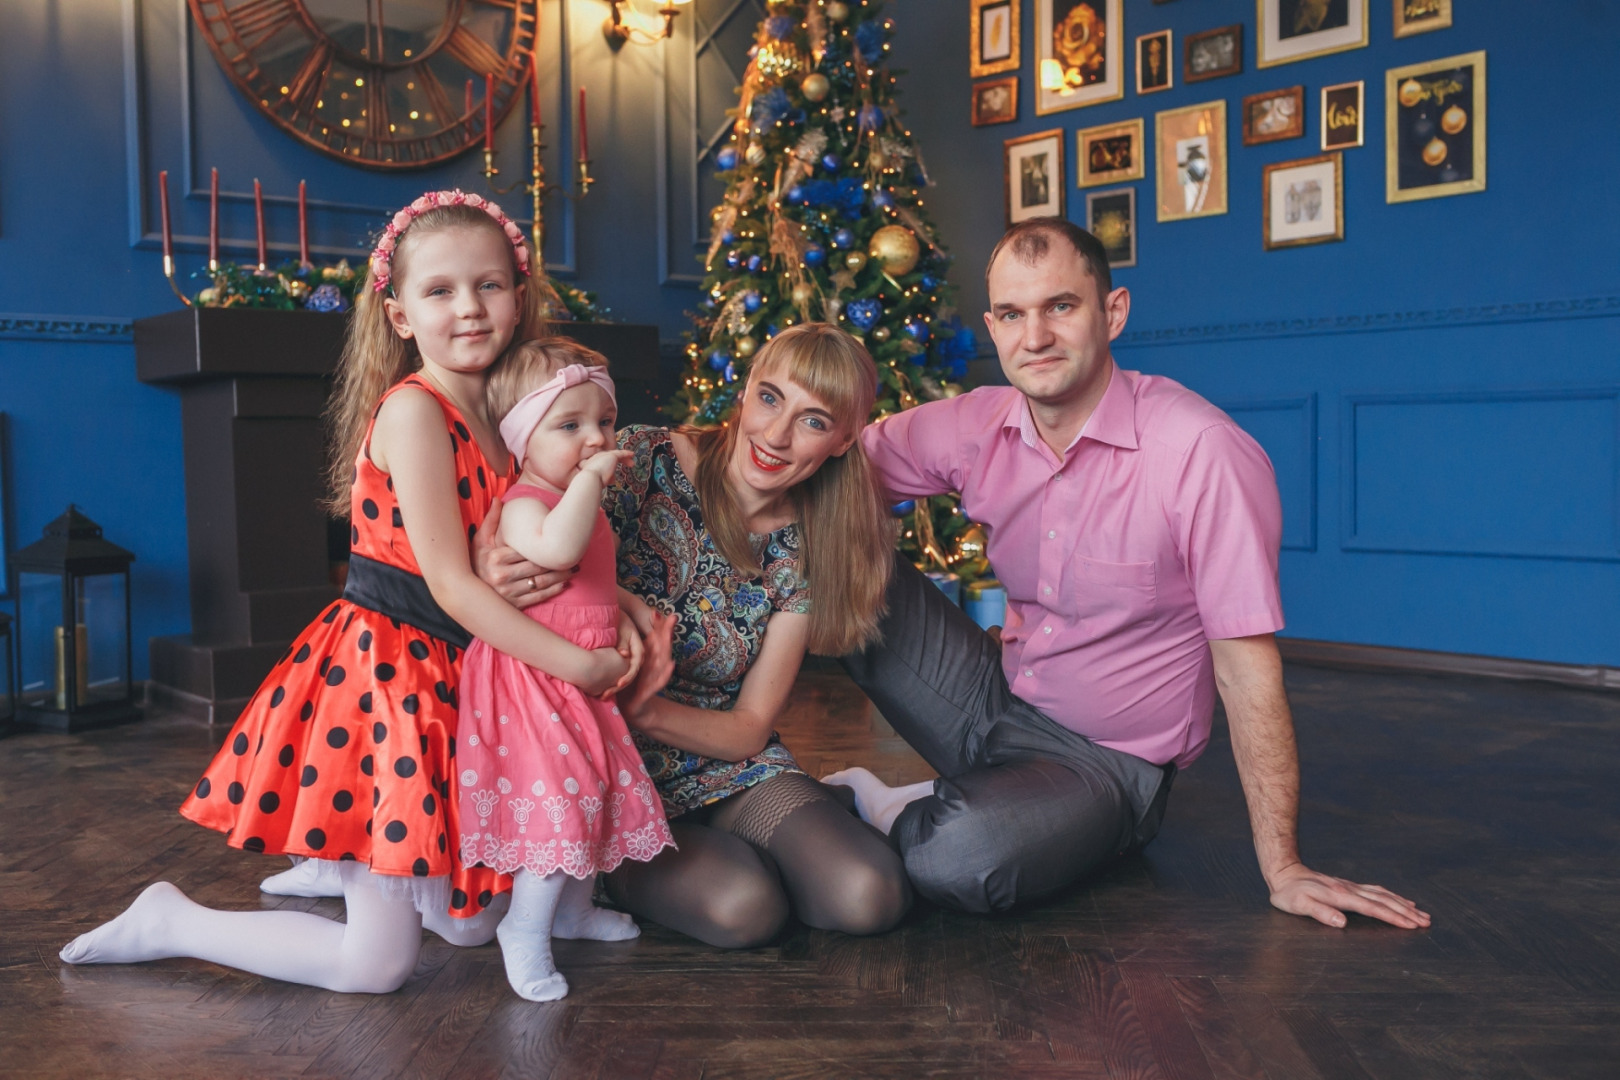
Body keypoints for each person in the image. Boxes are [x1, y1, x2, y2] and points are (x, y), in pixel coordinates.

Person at [59, 190, 645, 993]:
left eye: (489, 285)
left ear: (519, 298)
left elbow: (549, 541)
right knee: (376, 968)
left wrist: (624, 608)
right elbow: (449, 582)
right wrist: (575, 665)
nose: (469, 308)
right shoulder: (416, 412)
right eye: (439, 291)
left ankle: (340, 863)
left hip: (470, 671)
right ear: (400, 314)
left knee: (472, 927)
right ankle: (171, 918)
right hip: (391, 681)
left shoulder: (520, 414)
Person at [826, 218, 1432, 932]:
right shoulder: (974, 424)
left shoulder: (1200, 452)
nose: (1036, 337)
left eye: (1061, 306)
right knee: (825, 544)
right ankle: (776, 786)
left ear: (1112, 311)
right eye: (1014, 315)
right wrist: (674, 462)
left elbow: (1246, 672)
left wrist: (1284, 866)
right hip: (992, 700)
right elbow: (821, 466)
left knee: (956, 859)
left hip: (1104, 767)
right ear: (993, 327)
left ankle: (904, 806)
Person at [480, 322, 912, 948]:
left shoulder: (810, 548)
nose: (776, 435)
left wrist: (644, 707)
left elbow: (748, 728)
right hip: (598, 769)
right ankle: (592, 876)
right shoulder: (635, 460)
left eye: (815, 421)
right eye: (770, 398)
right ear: (744, 394)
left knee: (869, 894)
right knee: (745, 909)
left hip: (725, 762)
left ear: (844, 441)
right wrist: (493, 559)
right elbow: (518, 510)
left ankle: (826, 808)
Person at [453, 338, 677, 1001]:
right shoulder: (527, 503)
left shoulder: (572, 495)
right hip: (533, 679)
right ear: (523, 439)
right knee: (563, 803)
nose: (594, 438)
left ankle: (574, 912)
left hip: (579, 680)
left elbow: (586, 575)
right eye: (569, 425)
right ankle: (524, 928)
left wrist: (631, 609)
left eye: (604, 422)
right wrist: (589, 479)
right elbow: (560, 548)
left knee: (594, 794)